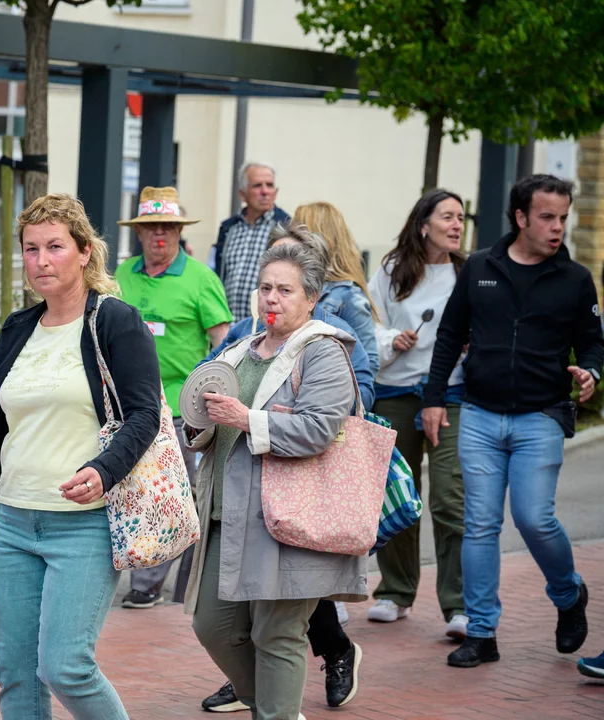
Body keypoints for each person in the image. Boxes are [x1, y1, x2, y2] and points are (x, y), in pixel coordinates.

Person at [0, 194, 162, 719]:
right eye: (31, 249)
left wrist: (104, 471)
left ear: (85, 252)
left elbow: (145, 415)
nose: (41, 260)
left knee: (67, 667)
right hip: (12, 523)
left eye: (55, 247)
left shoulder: (116, 322)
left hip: (84, 525)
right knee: (16, 674)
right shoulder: (17, 328)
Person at [423, 174, 603, 668]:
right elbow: (450, 334)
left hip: (540, 417)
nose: (557, 227)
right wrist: (434, 399)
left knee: (533, 518)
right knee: (480, 525)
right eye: (547, 217)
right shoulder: (480, 267)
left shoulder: (575, 279)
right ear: (521, 217)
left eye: (563, 218)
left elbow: (593, 342)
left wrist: (590, 371)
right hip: (479, 415)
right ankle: (482, 632)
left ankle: (568, 594)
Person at [185, 237, 366, 720]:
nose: (271, 298)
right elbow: (207, 423)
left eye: (285, 290)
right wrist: (198, 424)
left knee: (277, 634)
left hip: (289, 518)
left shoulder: (323, 352)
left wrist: (245, 419)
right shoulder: (239, 350)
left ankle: (276, 712)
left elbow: (318, 431)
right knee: (213, 627)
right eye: (265, 288)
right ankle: (276, 708)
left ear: (312, 298)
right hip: (225, 516)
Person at [115, 186, 232, 609]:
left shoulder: (201, 279)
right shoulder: (122, 275)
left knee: (169, 493)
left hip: (182, 406)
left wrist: (212, 396)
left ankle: (149, 583)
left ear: (180, 231)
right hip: (125, 404)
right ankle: (130, 568)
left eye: (168, 226)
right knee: (128, 488)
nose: (159, 234)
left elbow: (224, 343)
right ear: (139, 233)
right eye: (151, 227)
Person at [366, 189, 470, 640]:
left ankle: (459, 604)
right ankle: (395, 591)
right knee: (397, 495)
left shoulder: (469, 272)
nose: (456, 225)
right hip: (395, 393)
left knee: (449, 497)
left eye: (461, 218)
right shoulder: (393, 270)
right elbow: (369, 325)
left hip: (449, 395)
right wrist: (392, 339)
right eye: (447, 216)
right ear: (424, 224)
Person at [293, 202, 380, 375]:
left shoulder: (349, 296)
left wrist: (332, 388)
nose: (292, 239)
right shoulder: (301, 286)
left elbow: (368, 364)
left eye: (298, 231)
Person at [212, 162, 291, 322]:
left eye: (269, 185)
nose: (265, 191)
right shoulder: (229, 228)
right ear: (242, 194)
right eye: (257, 185)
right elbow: (220, 276)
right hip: (228, 324)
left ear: (275, 192)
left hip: (266, 325)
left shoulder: (285, 228)